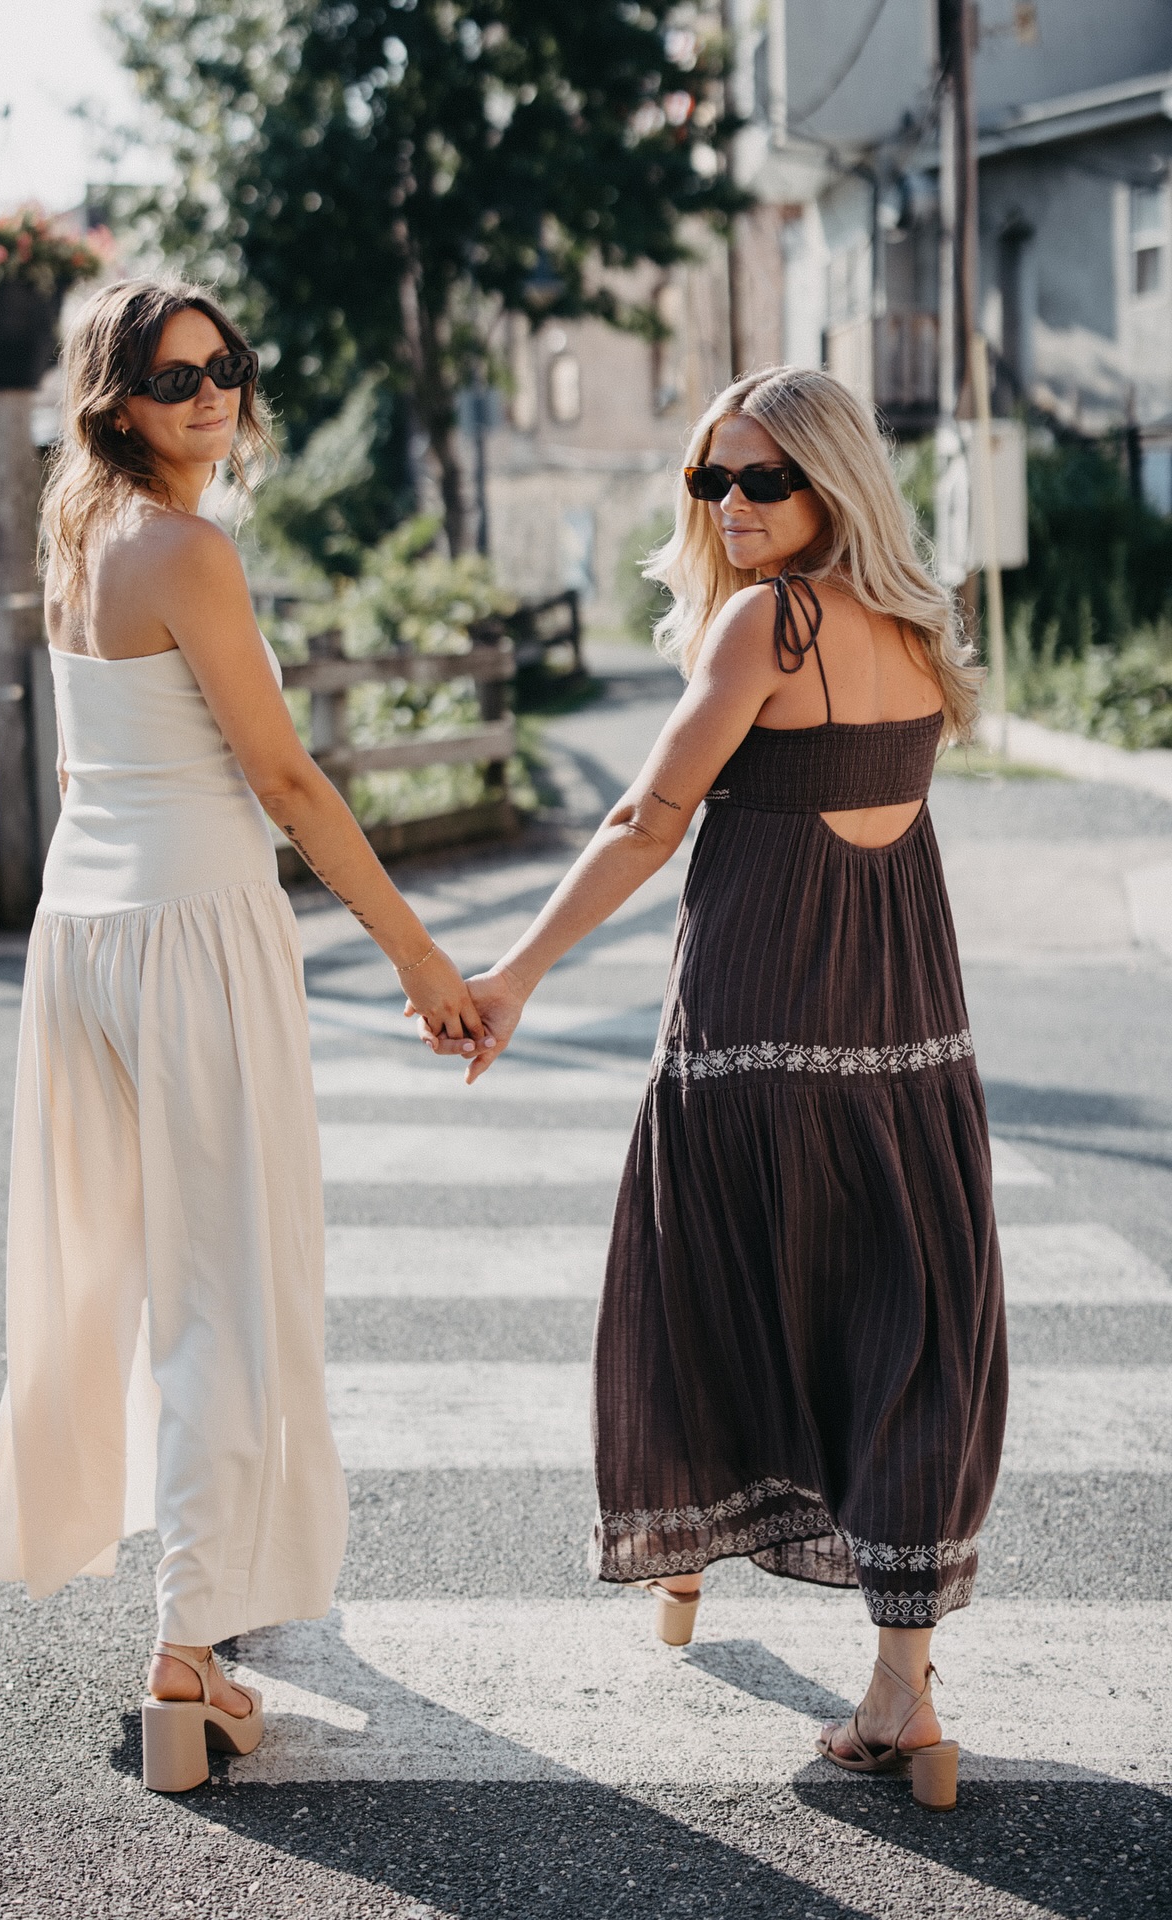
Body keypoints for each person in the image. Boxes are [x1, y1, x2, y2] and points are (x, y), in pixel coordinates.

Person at [422, 365, 1005, 1808]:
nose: (731, 504)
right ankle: (905, 1686)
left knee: (709, 1296)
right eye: (710, 479)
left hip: (751, 1028)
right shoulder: (917, 627)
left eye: (762, 479)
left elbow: (646, 820)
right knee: (902, 1333)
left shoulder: (770, 624)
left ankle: (688, 1560)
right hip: (908, 1043)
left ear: (831, 483)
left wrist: (514, 974)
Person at [0, 277, 485, 1794]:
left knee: (128, 1274)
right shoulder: (187, 549)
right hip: (192, 932)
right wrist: (422, 959)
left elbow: (92, 767)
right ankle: (188, 1652)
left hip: (85, 932)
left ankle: (201, 1613)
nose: (210, 394)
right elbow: (288, 780)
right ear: (115, 402)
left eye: (224, 366)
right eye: (173, 376)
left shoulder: (82, 538)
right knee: (230, 1290)